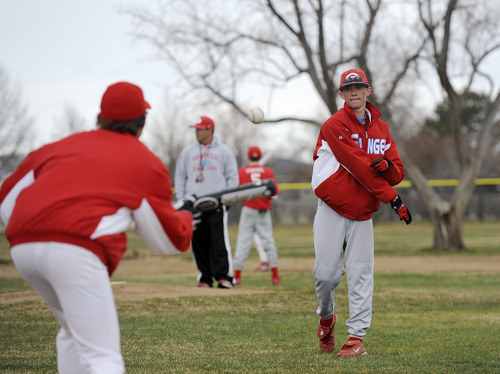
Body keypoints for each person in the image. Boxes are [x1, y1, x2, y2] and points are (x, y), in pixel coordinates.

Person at [0, 81, 197, 374]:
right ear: (142, 122)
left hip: (22, 247)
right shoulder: (145, 161)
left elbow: (6, 196)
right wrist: (187, 216)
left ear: (100, 117)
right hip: (77, 250)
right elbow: (167, 242)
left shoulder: (59, 147)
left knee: (72, 331)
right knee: (104, 358)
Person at [311, 69, 412, 356]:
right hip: (331, 208)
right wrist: (394, 200)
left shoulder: (381, 128)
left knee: (361, 273)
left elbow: (397, 172)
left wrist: (387, 167)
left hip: (364, 212)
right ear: (341, 94)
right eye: (348, 88)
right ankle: (327, 317)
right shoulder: (334, 125)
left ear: (368, 90)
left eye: (359, 86)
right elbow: (358, 165)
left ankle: (356, 339)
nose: (354, 92)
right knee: (326, 276)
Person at [174, 116, 239, 288]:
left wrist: (228, 199)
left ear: (210, 130)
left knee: (219, 241)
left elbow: (232, 177)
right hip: (194, 203)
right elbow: (180, 176)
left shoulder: (224, 151)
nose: (197, 131)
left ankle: (224, 277)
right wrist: (182, 199)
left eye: (200, 128)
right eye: (195, 128)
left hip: (217, 202)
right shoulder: (188, 152)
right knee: (198, 242)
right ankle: (204, 278)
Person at [233, 146, 280, 285]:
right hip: (263, 211)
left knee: (243, 241)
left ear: (248, 157)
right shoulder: (267, 171)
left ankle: (237, 276)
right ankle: (275, 276)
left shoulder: (242, 172)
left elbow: (236, 194)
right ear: (260, 157)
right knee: (268, 242)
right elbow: (276, 195)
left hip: (248, 210)